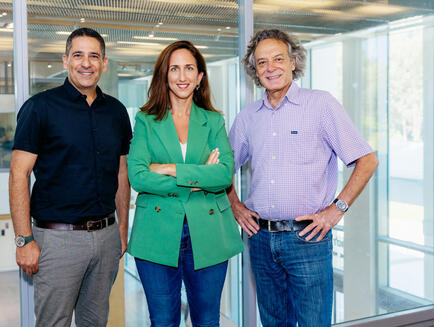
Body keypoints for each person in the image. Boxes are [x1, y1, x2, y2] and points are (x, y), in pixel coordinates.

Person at [227, 29, 379, 327]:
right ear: (254, 71)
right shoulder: (247, 117)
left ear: (293, 62)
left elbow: (367, 159)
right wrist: (235, 205)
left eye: (278, 59)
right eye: (262, 63)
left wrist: (336, 210)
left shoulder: (321, 105)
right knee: (273, 323)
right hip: (260, 239)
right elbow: (222, 170)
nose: (270, 68)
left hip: (307, 238)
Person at [9, 27, 131, 327]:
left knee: (95, 321)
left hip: (106, 238)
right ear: (65, 61)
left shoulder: (115, 112)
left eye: (94, 56)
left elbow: (121, 172)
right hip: (56, 240)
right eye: (78, 55)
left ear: (104, 63)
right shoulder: (39, 108)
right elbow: (18, 174)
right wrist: (24, 240)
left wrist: (122, 231)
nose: (86, 63)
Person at [127, 40, 243, 327]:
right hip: (156, 233)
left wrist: (168, 169)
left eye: (189, 68)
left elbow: (224, 175)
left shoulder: (214, 121)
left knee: (206, 321)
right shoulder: (146, 120)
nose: (182, 76)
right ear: (164, 75)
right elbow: (138, 177)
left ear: (200, 77)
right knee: (164, 321)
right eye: (174, 69)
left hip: (208, 232)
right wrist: (198, 177)